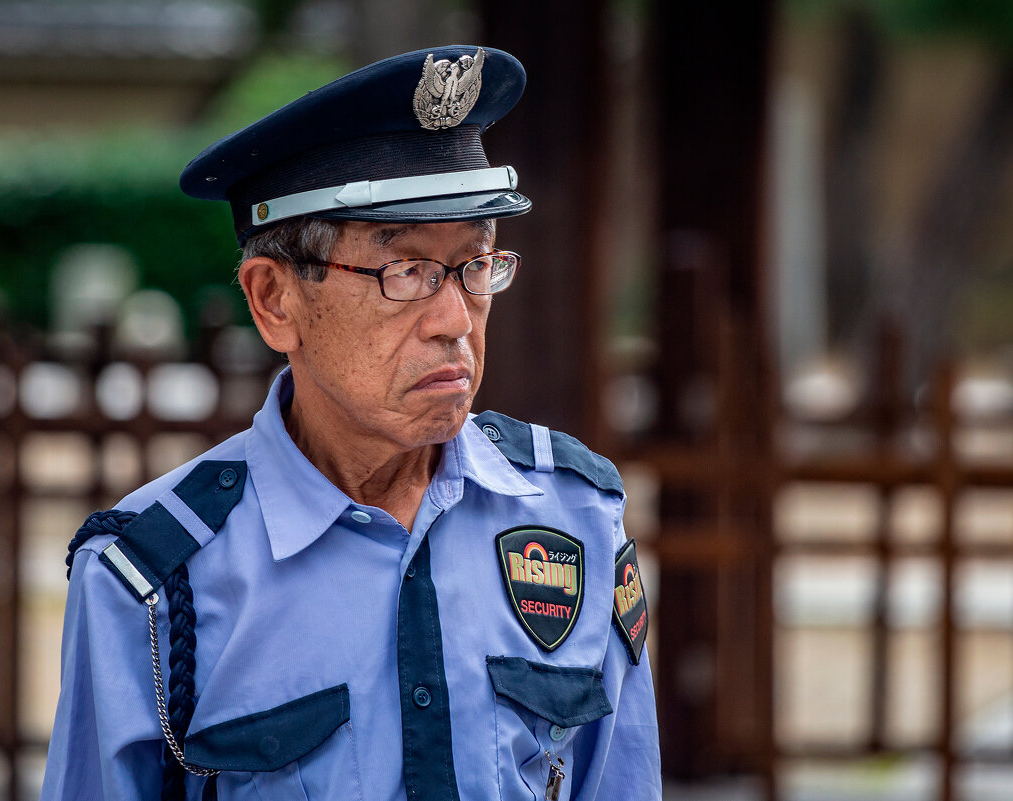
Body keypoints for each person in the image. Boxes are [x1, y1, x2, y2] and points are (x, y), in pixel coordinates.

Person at [40, 44, 661, 801]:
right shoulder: (154, 579)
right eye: (405, 272)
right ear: (274, 301)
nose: (454, 318)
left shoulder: (575, 516)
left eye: (476, 264)